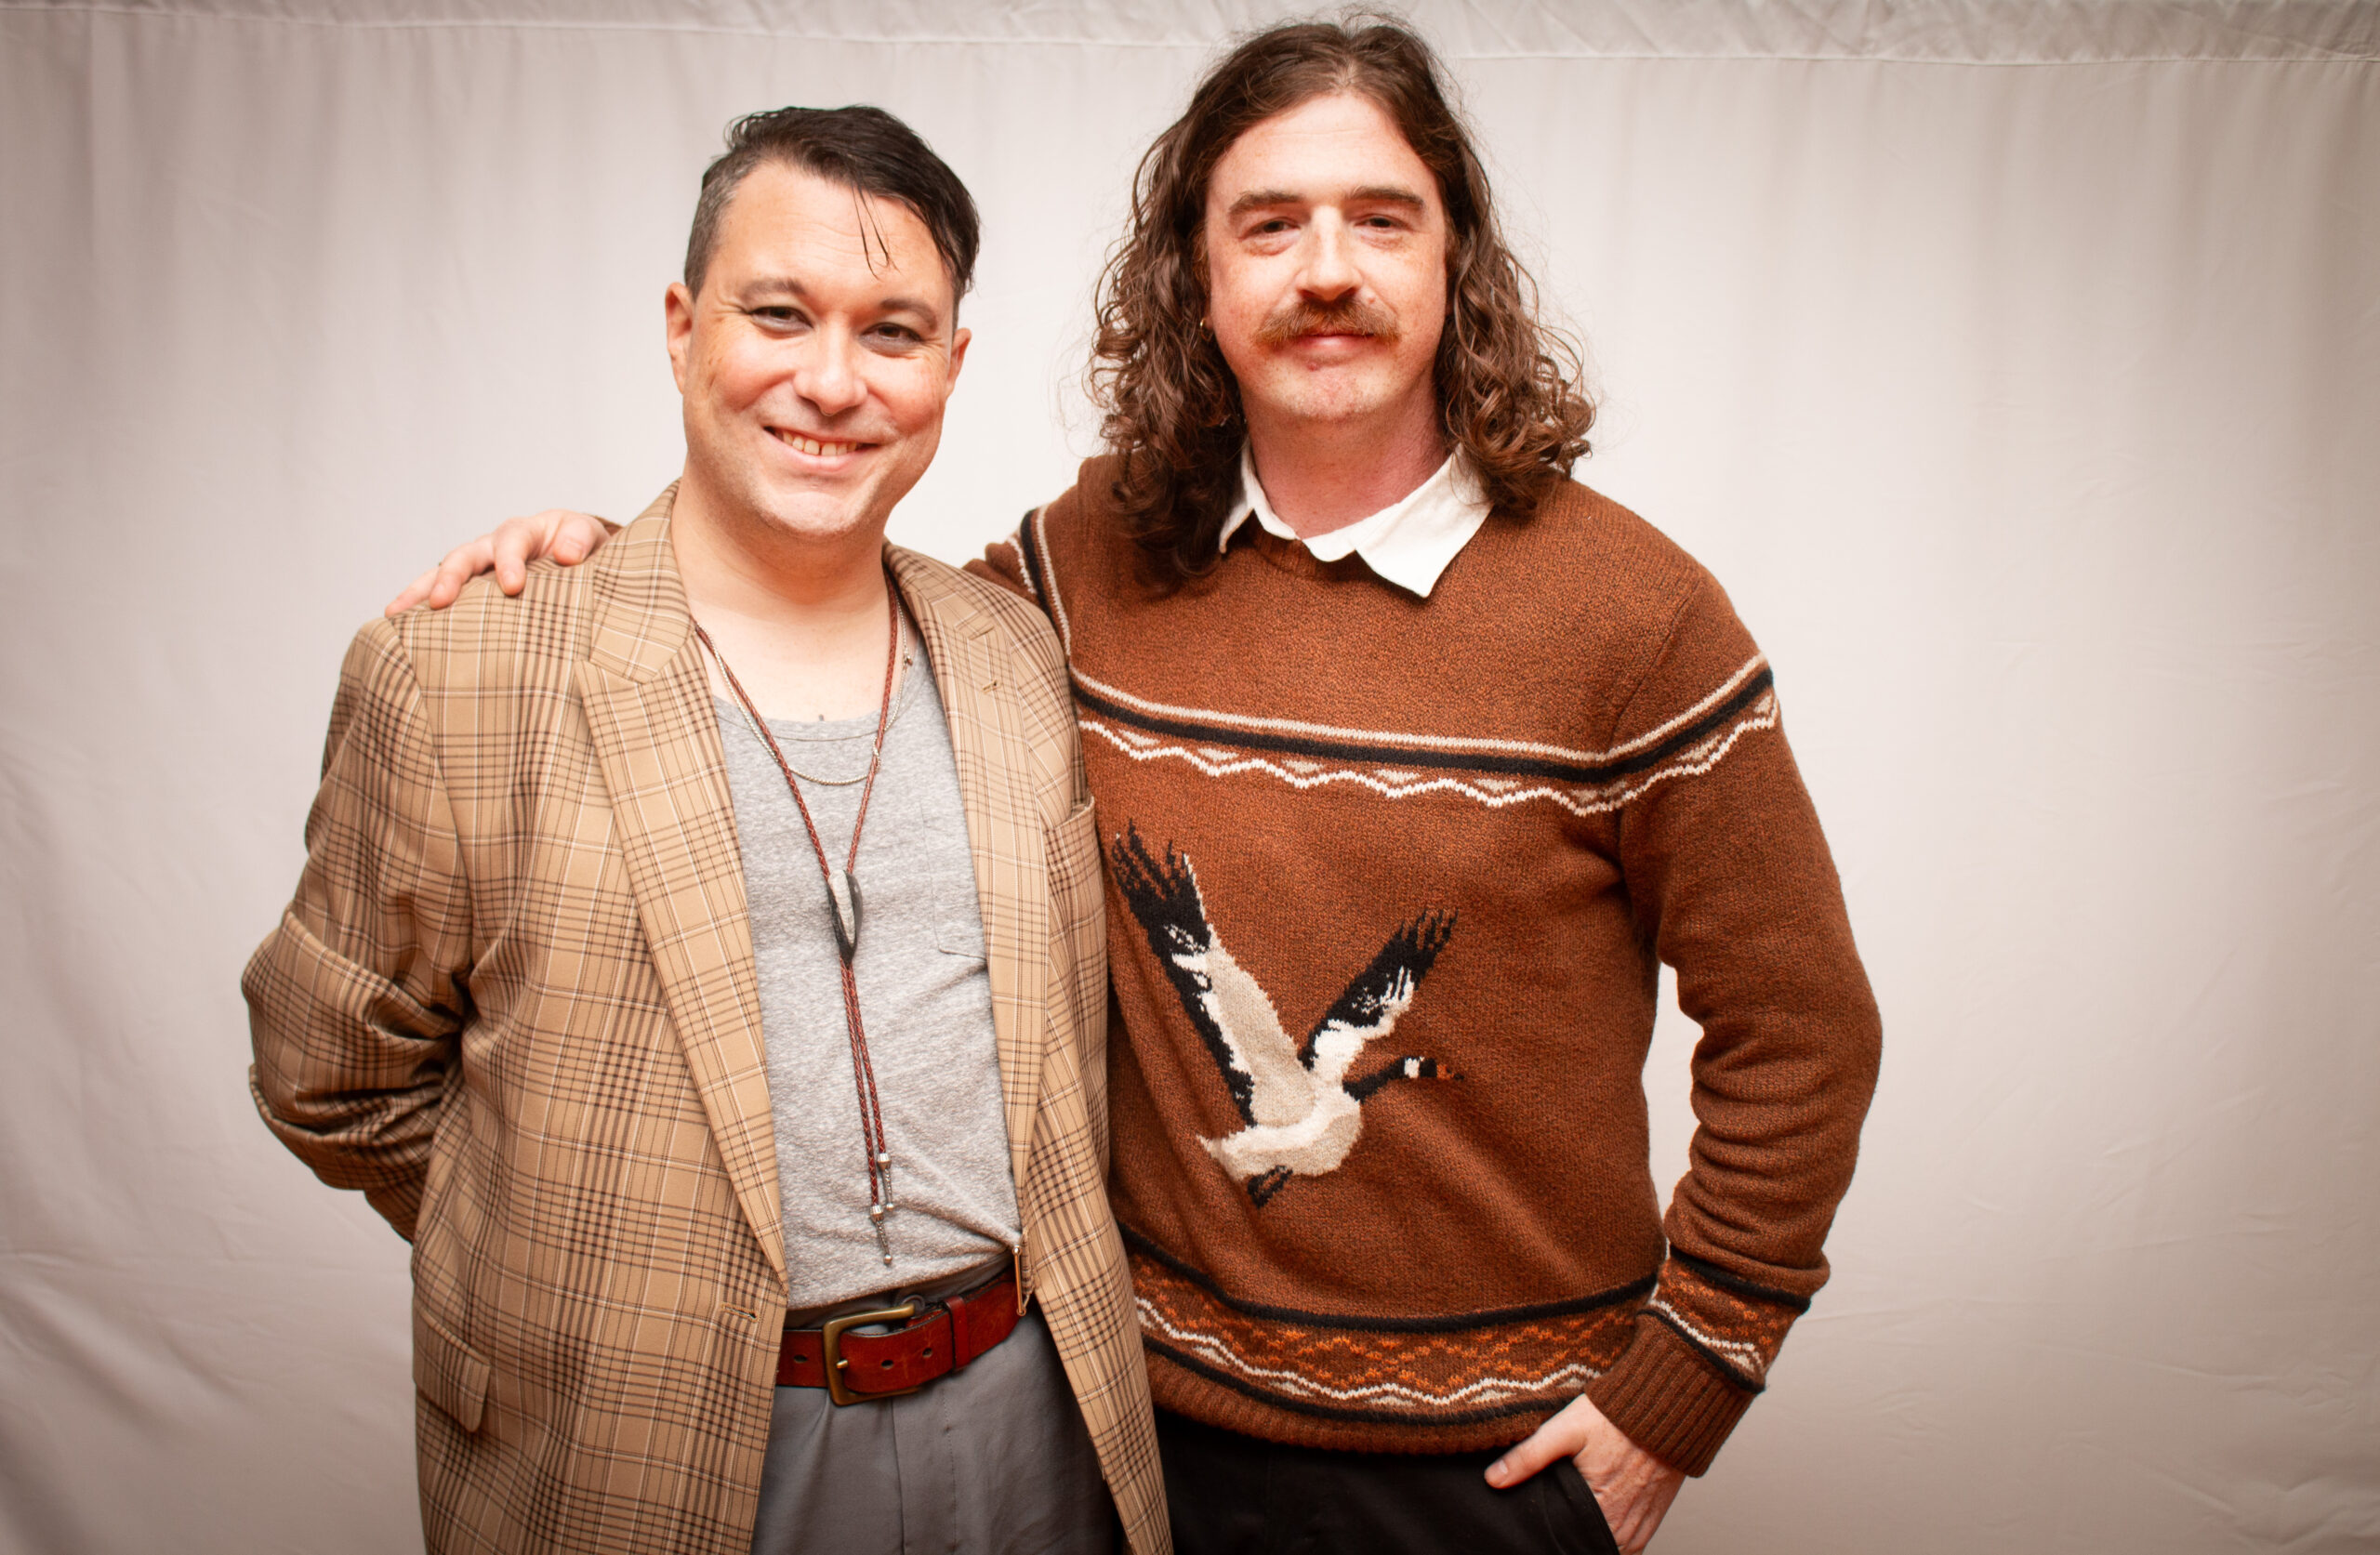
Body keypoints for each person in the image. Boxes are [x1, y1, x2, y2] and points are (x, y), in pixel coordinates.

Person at [401, 20, 1883, 1555]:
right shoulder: (1092, 559)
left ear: (1457, 258)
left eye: (1380, 218)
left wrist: (1677, 1391)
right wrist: (607, 565)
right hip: (1130, 1444)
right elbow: (830, 602)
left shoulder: (1635, 615)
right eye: (1268, 224)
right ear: (1199, 275)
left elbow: (1804, 1033)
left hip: (1493, 1472)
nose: (1325, 269)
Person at [246, 104, 1169, 1555]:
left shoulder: (1015, 653)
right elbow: (329, 1077)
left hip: (1031, 1418)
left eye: (892, 332)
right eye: (780, 314)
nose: (830, 380)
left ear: (951, 368)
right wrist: (580, 1249)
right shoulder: (465, 672)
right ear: (682, 329)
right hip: (655, 1443)